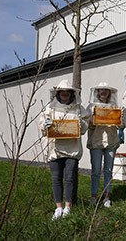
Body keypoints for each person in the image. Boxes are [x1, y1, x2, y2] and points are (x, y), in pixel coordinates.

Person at [39, 79, 89, 220]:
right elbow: (42, 124)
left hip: (72, 148)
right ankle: (58, 207)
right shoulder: (50, 108)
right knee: (56, 178)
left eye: (67, 92)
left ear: (71, 93)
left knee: (69, 178)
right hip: (55, 148)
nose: (65, 94)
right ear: (58, 93)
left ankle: (68, 206)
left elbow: (86, 124)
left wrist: (82, 124)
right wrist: (45, 124)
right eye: (62, 92)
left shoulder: (79, 108)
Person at [86, 82, 120, 208]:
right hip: (96, 142)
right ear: (98, 92)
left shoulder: (114, 106)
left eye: (106, 90)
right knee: (95, 171)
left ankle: (107, 197)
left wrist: (119, 121)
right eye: (101, 90)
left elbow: (119, 124)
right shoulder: (90, 107)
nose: (103, 92)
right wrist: (93, 121)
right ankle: (94, 196)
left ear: (109, 93)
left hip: (111, 141)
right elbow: (86, 125)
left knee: (108, 170)